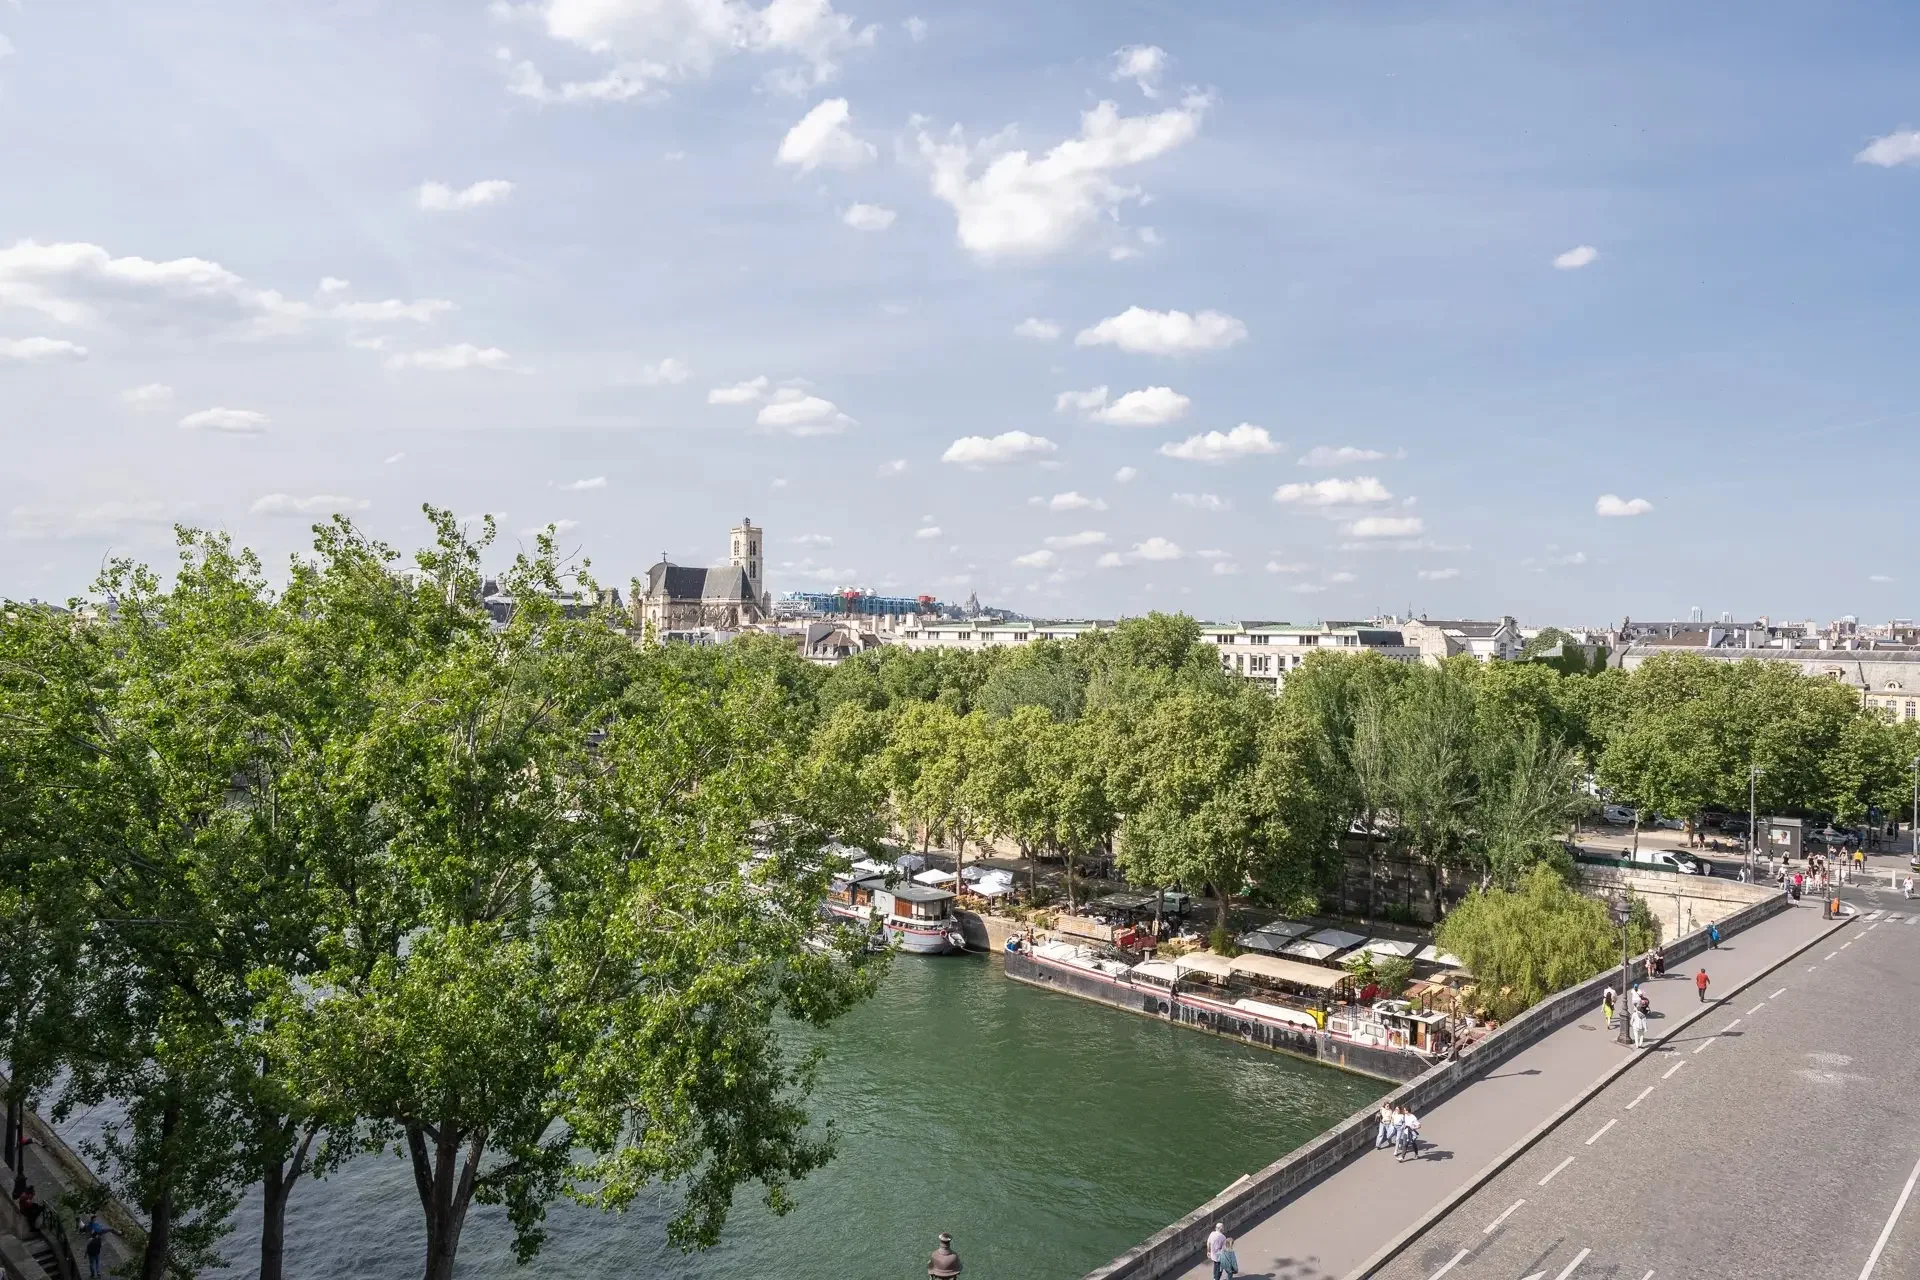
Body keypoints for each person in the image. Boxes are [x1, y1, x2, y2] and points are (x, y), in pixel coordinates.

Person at [80, 1214, 118, 1279]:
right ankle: (98, 1272)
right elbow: (100, 1246)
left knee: (92, 1264)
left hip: (91, 1253)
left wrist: (85, 1254)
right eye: (95, 1219)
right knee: (97, 1263)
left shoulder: (90, 1239)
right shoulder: (98, 1239)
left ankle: (92, 1274)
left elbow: (87, 1247)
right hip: (97, 1253)